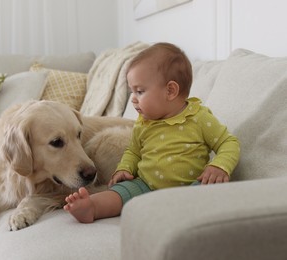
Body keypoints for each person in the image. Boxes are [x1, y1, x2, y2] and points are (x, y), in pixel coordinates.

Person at [63, 42, 240, 223]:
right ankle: (92, 207)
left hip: (189, 187)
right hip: (145, 185)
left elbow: (228, 143)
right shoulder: (143, 123)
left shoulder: (199, 118)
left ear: (170, 91)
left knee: (207, 191)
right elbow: (134, 151)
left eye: (139, 91)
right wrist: (125, 168)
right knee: (117, 193)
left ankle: (178, 213)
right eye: (132, 91)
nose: (133, 99)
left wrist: (219, 166)